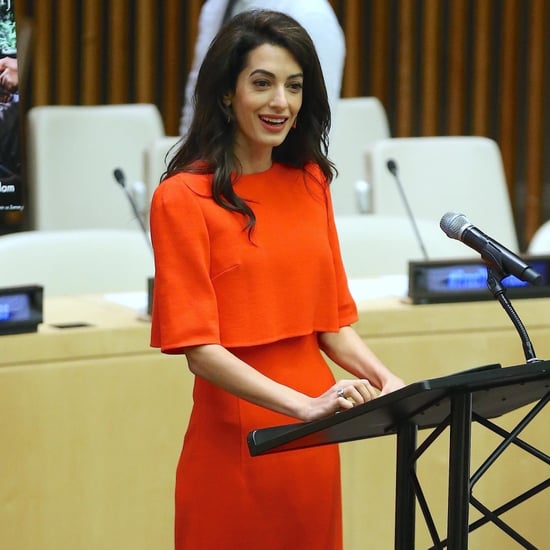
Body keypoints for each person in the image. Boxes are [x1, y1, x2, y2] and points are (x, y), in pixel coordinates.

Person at [150, 10, 404, 549]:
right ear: (226, 94)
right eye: (261, 83)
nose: (280, 103)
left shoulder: (311, 182)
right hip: (241, 437)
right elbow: (199, 348)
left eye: (294, 86)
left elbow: (332, 324)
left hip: (314, 436)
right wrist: (304, 407)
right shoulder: (182, 197)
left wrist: (389, 382)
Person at [179, 0, 346, 136]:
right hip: (212, 160)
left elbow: (317, 124)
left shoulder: (310, 13)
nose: (281, 101)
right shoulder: (215, 7)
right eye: (262, 83)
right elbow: (198, 96)